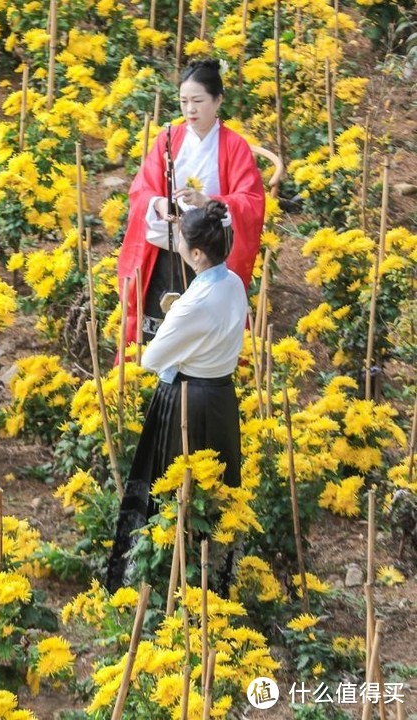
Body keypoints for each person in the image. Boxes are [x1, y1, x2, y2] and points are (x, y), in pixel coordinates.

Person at [106, 201, 246, 592]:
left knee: (174, 491)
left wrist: (172, 319)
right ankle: (217, 580)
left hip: (187, 400)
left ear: (196, 254)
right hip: (221, 398)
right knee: (215, 491)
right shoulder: (232, 283)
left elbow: (152, 358)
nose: (178, 243)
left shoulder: (193, 305)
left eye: (182, 239)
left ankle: (165, 583)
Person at [116, 58, 265, 346]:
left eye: (198, 100)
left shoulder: (234, 146)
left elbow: (251, 201)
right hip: (167, 247)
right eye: (184, 101)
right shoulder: (168, 138)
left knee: (204, 333)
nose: (190, 109)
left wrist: (208, 201)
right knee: (158, 327)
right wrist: (159, 204)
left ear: (218, 100)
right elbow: (141, 189)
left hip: (208, 252)